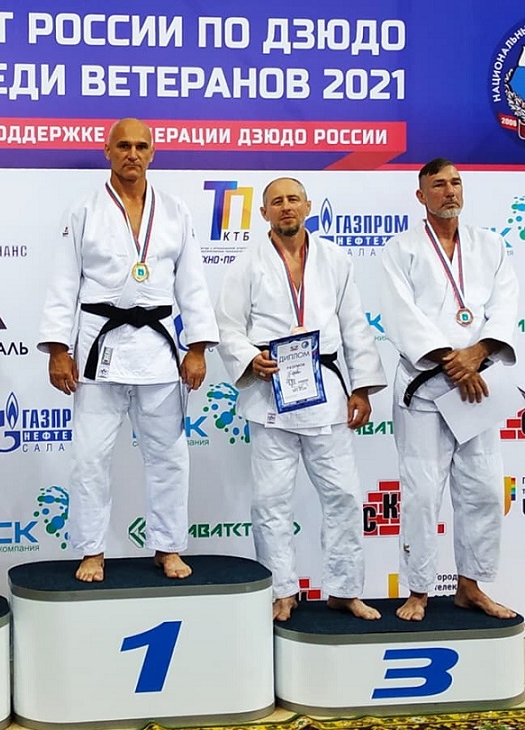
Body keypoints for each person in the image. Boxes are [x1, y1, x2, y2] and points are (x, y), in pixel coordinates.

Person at [38, 118, 218, 583]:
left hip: (158, 349)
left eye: (140, 146)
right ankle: (92, 550)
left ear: (152, 152)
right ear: (108, 151)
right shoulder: (84, 210)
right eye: (123, 146)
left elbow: (193, 285)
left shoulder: (175, 210)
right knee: (89, 458)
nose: (132, 154)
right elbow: (63, 283)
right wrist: (58, 349)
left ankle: (168, 546)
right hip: (99, 347)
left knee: (169, 456)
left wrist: (197, 347)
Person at [215, 178, 385, 621]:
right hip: (272, 395)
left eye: (293, 199)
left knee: (344, 496)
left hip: (325, 391)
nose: (286, 207)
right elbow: (228, 325)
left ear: (308, 206)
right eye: (277, 202)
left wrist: (362, 386)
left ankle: (345, 589)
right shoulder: (246, 264)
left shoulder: (336, 259)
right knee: (270, 501)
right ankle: (282, 591)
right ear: (264, 213)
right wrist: (249, 358)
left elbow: (355, 326)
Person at [380, 158, 518, 622]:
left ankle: (470, 587)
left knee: (483, 489)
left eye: (456, 183)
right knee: (422, 492)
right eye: (438, 185)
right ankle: (418, 590)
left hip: (476, 388)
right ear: (422, 196)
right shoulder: (400, 249)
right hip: (425, 388)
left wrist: (476, 353)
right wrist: (452, 360)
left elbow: (505, 306)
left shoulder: (490, 246)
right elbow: (400, 314)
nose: (450, 191)